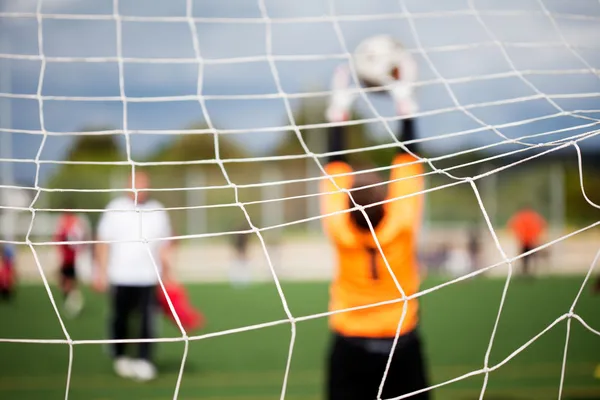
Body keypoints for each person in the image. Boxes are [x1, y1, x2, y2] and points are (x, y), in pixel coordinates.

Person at [321, 60, 430, 399]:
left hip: (349, 343)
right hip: (401, 342)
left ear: (346, 205)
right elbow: (408, 159)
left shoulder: (339, 229)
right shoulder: (401, 224)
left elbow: (334, 166)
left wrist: (338, 107)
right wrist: (405, 102)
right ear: (388, 202)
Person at [94, 170, 173, 382]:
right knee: (120, 318)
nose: (141, 187)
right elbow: (103, 242)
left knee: (149, 320)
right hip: (120, 275)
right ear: (127, 184)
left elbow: (165, 245)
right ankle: (120, 357)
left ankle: (145, 360)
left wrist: (168, 274)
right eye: (137, 182)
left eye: (145, 183)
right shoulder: (114, 208)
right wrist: (100, 272)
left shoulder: (158, 210)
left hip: (148, 276)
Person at [54, 204, 89, 317]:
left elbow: (81, 239)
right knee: (64, 282)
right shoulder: (63, 225)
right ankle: (70, 301)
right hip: (65, 259)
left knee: (70, 283)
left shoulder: (75, 226)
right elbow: (57, 240)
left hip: (72, 259)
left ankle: (73, 303)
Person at [507, 205, 546, 277]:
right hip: (530, 240)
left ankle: (525, 271)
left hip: (525, 240)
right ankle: (529, 272)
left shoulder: (520, 216)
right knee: (531, 257)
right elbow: (542, 225)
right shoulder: (534, 216)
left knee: (525, 258)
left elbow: (512, 225)